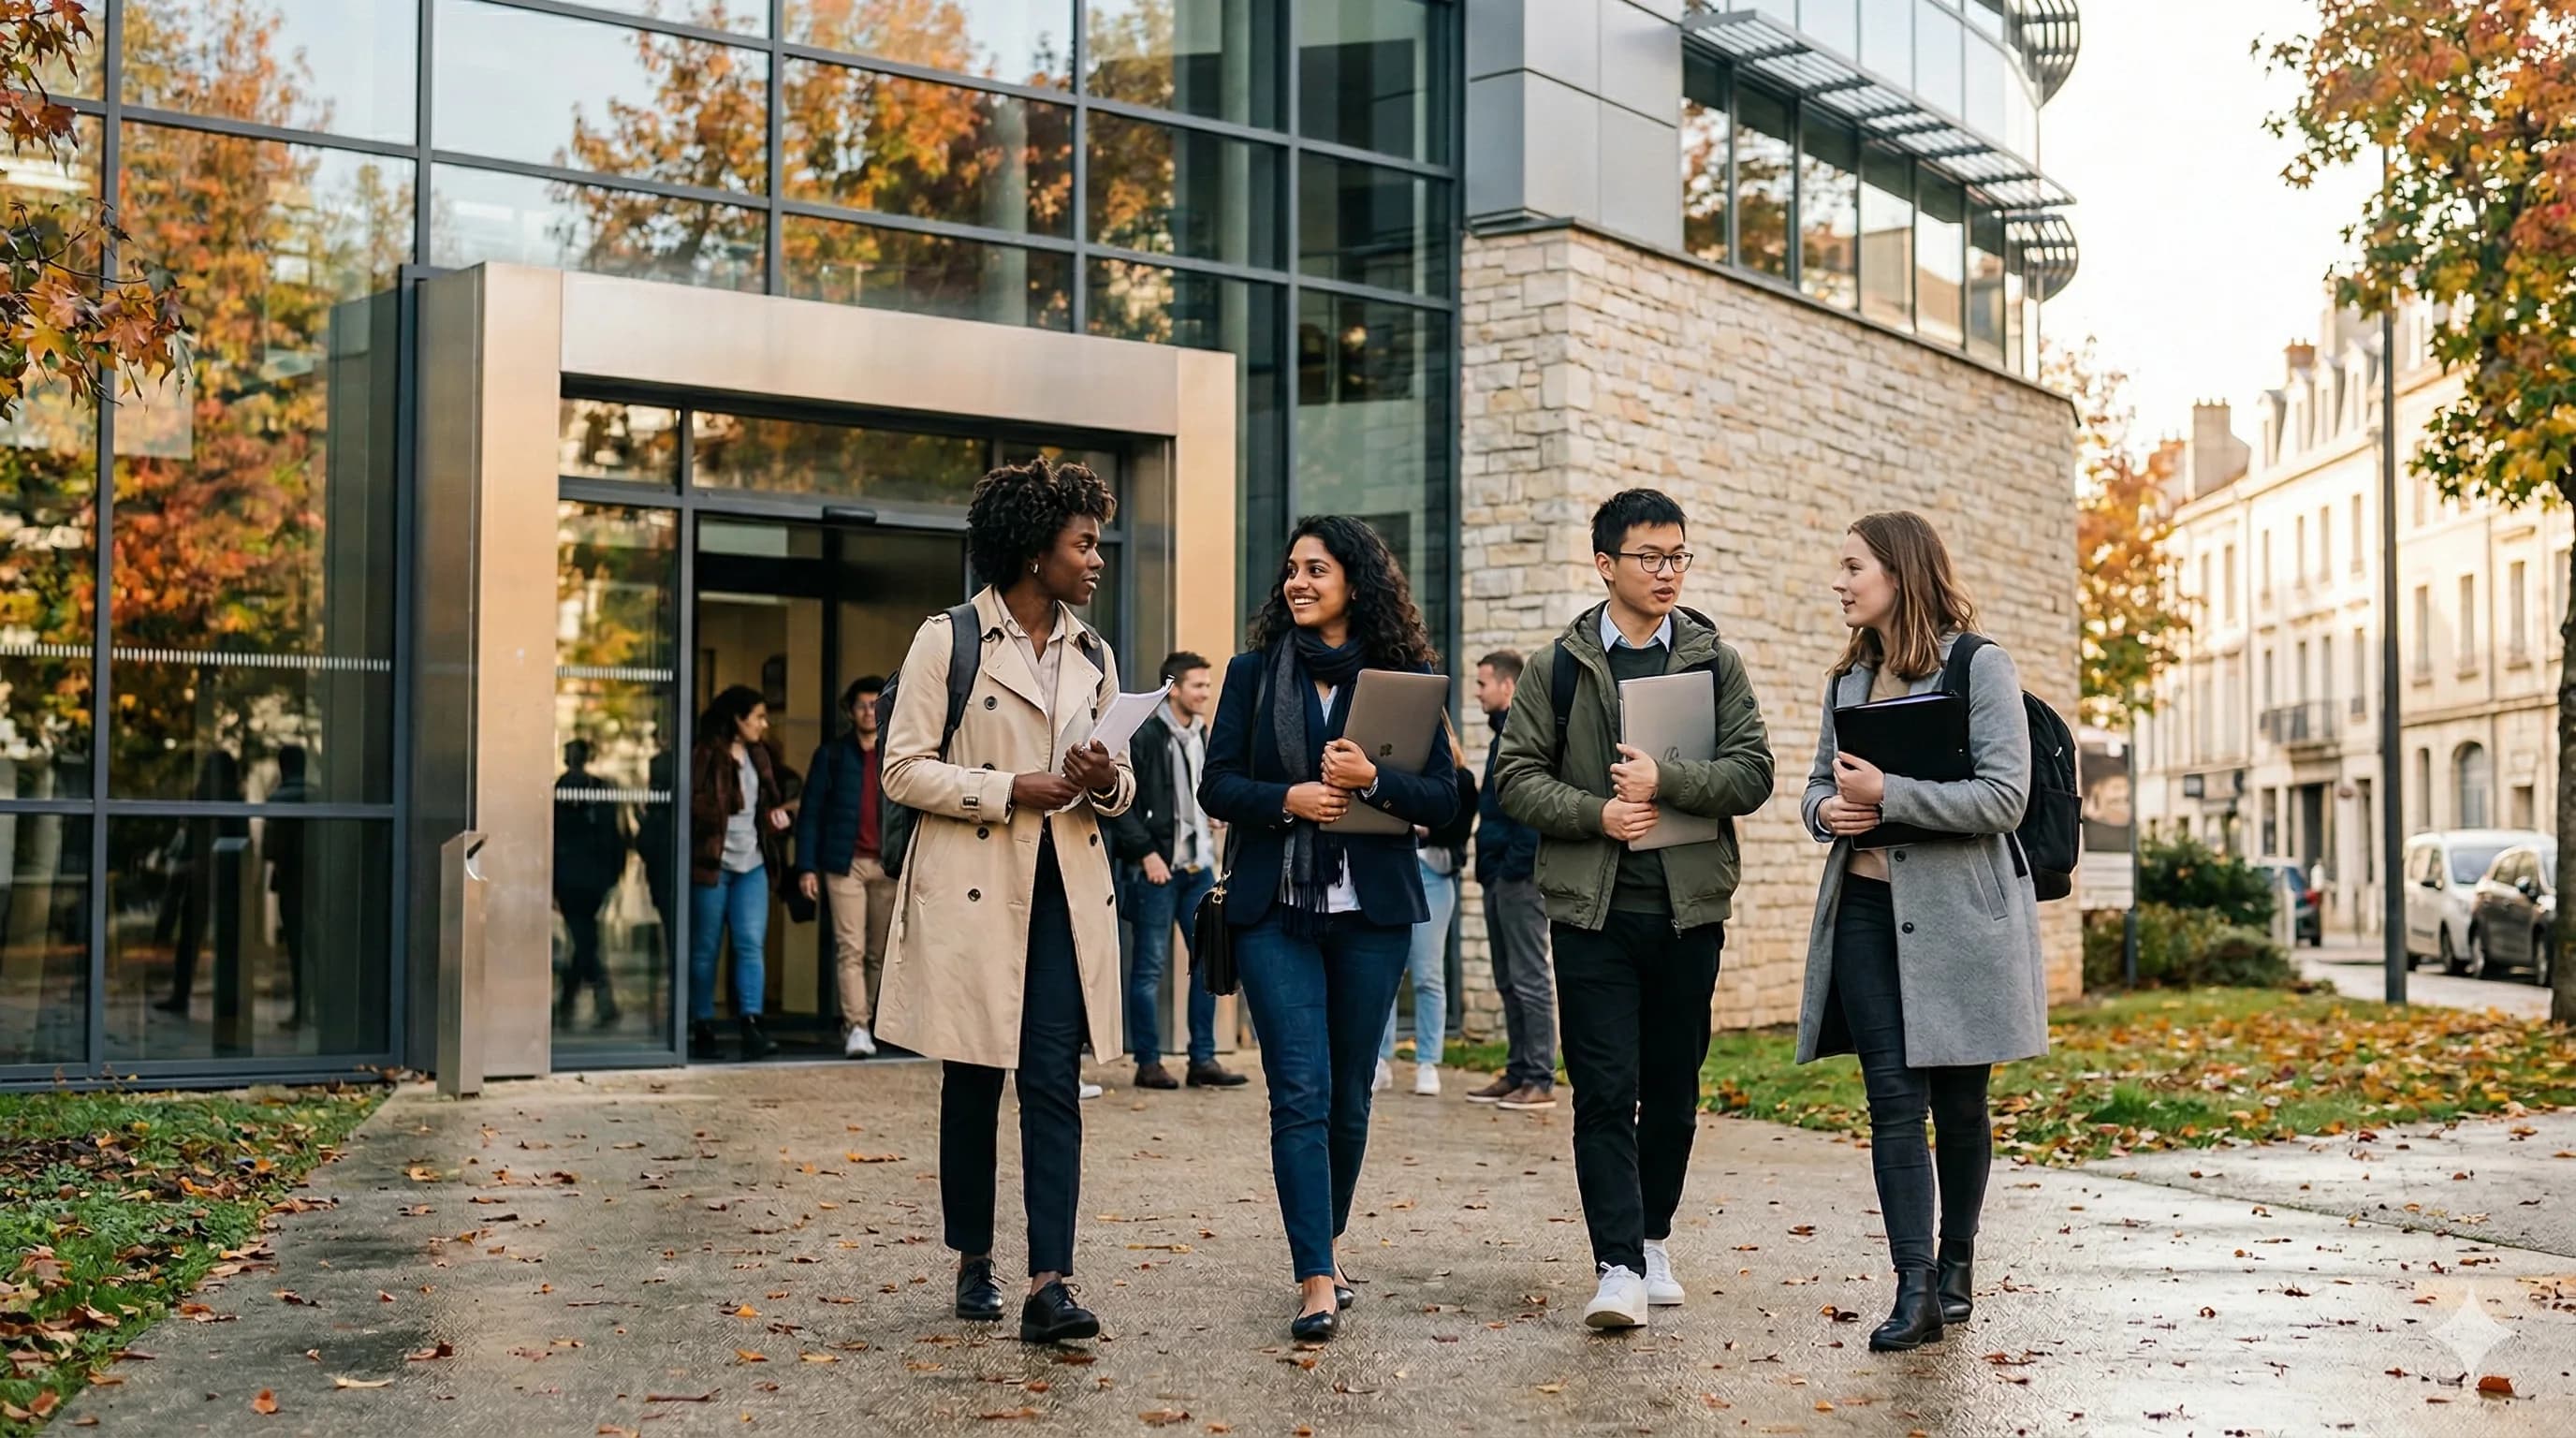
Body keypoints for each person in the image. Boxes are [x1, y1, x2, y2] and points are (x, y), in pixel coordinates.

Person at [1493, 488, 1774, 1331]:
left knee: (1674, 1090)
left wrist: (1668, 782)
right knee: (1606, 1090)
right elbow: (1514, 777)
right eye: (1649, 557)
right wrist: (1600, 814)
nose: (1667, 573)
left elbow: (1753, 771)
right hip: (1593, 911)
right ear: (1605, 563)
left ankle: (1652, 1238)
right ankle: (1616, 1264)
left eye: (1679, 555)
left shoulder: (1713, 661)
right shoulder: (1557, 666)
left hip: (1688, 911)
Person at [874, 459, 1134, 1347]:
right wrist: (1005, 787)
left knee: (1053, 1084)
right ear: (1034, 552)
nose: (1098, 559)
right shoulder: (945, 640)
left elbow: (1120, 783)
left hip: (1063, 892)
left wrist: (1104, 781)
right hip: (976, 892)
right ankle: (973, 1256)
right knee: (974, 1078)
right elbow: (903, 767)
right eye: (1084, 543)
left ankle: (1050, 1282)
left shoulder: (1092, 651)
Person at [1199, 515, 1459, 1343]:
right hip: (1275, 913)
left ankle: (1329, 1240)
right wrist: (1290, 799)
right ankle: (1314, 1276)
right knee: (1301, 1095)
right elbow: (1218, 786)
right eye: (1291, 570)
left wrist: (1374, 779)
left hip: (1371, 917)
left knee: (1350, 1100)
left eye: (1317, 568)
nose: (1298, 582)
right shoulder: (1249, 674)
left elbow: (1451, 804)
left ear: (1356, 581)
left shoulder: (1405, 679)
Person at [1795, 510, 2046, 1353]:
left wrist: (1889, 796)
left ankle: (1957, 1264)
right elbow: (1813, 787)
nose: (1840, 581)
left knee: (1960, 1102)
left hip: (1960, 919)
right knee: (1893, 1101)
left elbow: (2004, 798)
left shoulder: (1979, 666)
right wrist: (1826, 811)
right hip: (1865, 911)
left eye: (1852, 565)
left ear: (1899, 573)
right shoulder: (1847, 681)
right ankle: (1914, 1292)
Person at [1112, 652, 1246, 1093]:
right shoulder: (1147, 735)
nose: (1206, 693)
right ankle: (1148, 1062)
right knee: (1149, 968)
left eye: (1208, 686)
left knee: (1209, 964)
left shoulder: (1201, 735)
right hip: (1158, 870)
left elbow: (1202, 790)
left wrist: (1216, 814)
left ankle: (1202, 1059)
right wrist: (1145, 853)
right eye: (1198, 686)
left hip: (1198, 868)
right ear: (1173, 689)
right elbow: (1122, 802)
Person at [1462, 652, 1556, 1111]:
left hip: (1519, 874)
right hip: (1499, 872)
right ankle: (1518, 1070)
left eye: (1482, 683)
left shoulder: (1526, 732)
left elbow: (1531, 806)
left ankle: (1539, 1076)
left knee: (1528, 975)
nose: (1477, 692)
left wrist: (1514, 865)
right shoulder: (1503, 734)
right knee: (1507, 976)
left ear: (1507, 686)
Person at [688, 685, 793, 1063]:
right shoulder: (704, 756)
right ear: (737, 718)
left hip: (752, 863)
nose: (764, 724)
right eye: (758, 717)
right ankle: (702, 1023)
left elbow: (779, 794)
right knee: (705, 950)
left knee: (750, 944)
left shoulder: (761, 755)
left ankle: (752, 1024)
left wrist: (778, 816)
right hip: (711, 865)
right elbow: (693, 810)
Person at [796, 676, 897, 1059]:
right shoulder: (832, 756)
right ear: (850, 711)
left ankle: (869, 1022)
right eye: (861, 706)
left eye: (875, 705)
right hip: (845, 864)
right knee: (849, 948)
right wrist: (806, 867)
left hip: (886, 865)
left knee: (879, 951)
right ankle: (855, 1026)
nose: (869, 712)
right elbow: (811, 814)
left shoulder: (897, 753)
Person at [1377, 720, 1478, 1096]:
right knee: (1386, 971)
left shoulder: (1460, 778)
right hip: (1395, 870)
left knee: (1428, 973)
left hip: (1435, 874)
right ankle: (1381, 1059)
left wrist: (1422, 828)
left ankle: (1427, 1061)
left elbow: (1457, 828)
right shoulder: (1392, 769)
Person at [553, 739, 627, 1031]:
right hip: (585, 876)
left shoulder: (565, 789)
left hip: (578, 876)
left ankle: (577, 1002)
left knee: (584, 940)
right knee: (585, 940)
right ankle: (582, 1002)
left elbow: (611, 835)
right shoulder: (592, 789)